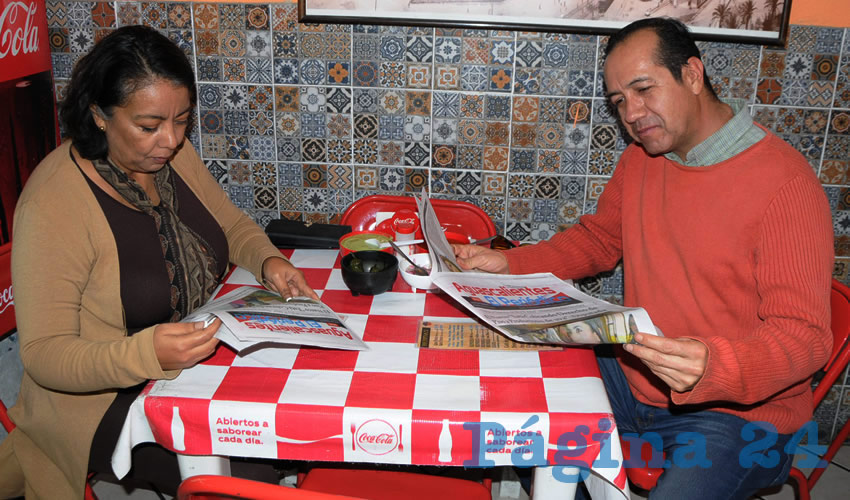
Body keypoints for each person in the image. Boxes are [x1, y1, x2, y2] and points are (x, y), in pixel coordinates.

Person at [454, 17, 833, 498]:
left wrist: (716, 366)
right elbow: (599, 241)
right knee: (513, 393)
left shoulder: (785, 185)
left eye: (643, 89)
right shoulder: (642, 160)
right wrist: (511, 264)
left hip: (740, 416)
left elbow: (807, 336)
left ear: (692, 75)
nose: (632, 114)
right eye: (619, 102)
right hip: (637, 374)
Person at [0, 25, 318, 499]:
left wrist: (269, 261)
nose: (170, 140)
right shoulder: (53, 205)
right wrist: (147, 354)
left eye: (182, 119)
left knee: (298, 411)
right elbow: (44, 356)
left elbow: (230, 223)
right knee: (250, 479)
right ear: (99, 116)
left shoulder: (170, 155)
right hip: (99, 403)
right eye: (149, 126)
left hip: (188, 362)